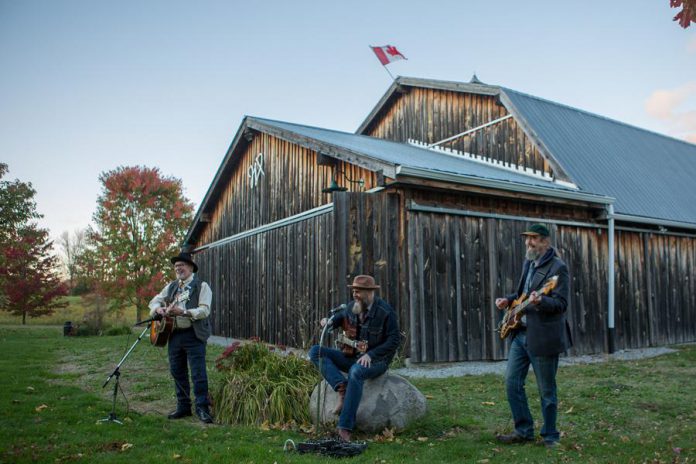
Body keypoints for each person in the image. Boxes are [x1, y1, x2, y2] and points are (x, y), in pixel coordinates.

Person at [494, 224, 571, 449]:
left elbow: (561, 304)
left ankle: (550, 436)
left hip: (543, 337)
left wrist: (542, 301)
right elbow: (522, 295)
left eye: (534, 239)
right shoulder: (529, 262)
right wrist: (508, 301)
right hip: (520, 335)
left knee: (546, 390)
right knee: (511, 383)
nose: (529, 243)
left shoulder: (559, 268)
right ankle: (523, 430)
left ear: (546, 241)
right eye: (527, 239)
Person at [308, 275, 400, 442]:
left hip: (377, 362)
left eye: (358, 291)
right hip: (352, 357)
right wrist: (328, 322)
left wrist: (371, 355)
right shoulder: (353, 307)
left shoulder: (385, 312)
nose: (355, 294)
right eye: (354, 291)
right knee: (315, 351)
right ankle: (341, 388)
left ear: (369, 292)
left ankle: (344, 429)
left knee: (355, 372)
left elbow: (394, 340)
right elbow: (340, 317)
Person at [148, 251, 214, 424]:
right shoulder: (171, 287)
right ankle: (183, 406)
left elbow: (204, 310)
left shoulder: (202, 286)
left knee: (198, 373)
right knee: (177, 371)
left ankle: (202, 407)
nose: (178, 268)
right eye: (176, 266)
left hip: (194, 334)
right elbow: (154, 301)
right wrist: (158, 310)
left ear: (191, 267)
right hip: (174, 334)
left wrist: (184, 311)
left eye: (182, 265)